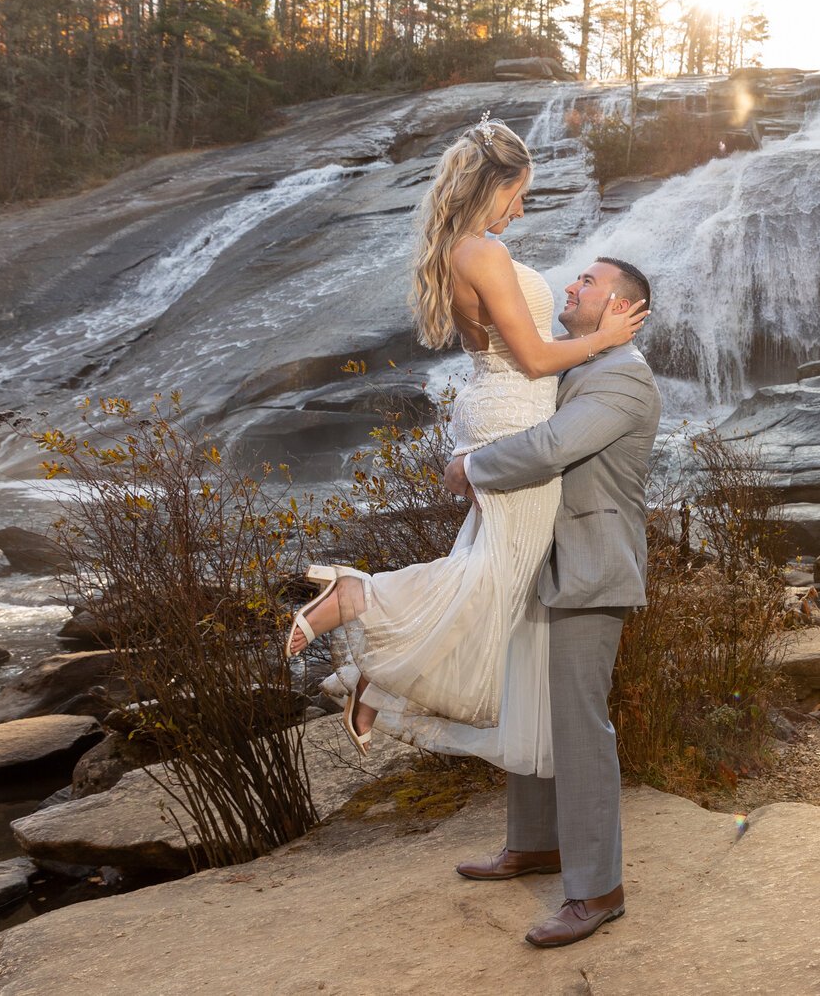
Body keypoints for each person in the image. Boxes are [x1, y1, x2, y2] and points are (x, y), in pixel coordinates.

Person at [283, 111, 647, 783]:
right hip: (512, 412)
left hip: (496, 408)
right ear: (493, 185)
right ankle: (355, 594)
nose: (521, 207)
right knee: (497, 579)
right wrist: (605, 339)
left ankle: (377, 680)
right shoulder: (483, 252)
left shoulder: (461, 250)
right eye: (519, 194)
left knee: (485, 572)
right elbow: (536, 357)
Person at [443, 255, 660, 949]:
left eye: (589, 282)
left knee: (577, 722)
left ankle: (598, 887)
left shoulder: (624, 378)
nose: (572, 285)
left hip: (592, 570)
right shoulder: (573, 368)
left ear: (624, 306)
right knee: (528, 700)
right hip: (542, 559)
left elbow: (553, 445)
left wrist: (472, 467)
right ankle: (535, 843)